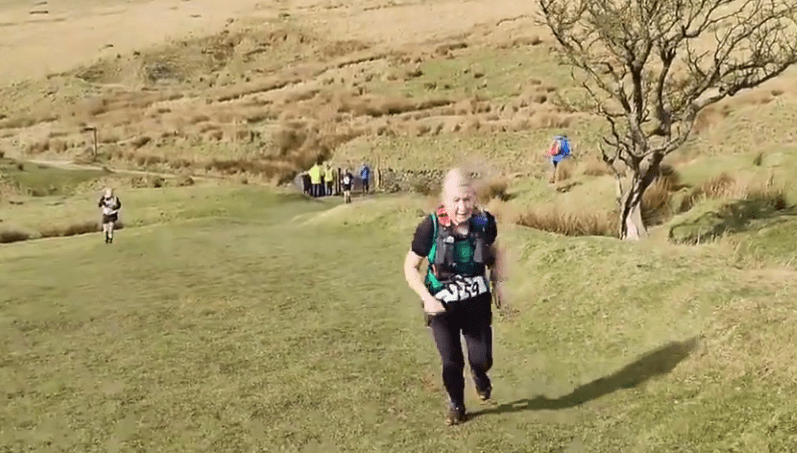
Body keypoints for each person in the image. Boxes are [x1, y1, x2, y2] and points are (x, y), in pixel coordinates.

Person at [403, 168, 506, 426]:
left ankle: (480, 374)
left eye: (467, 199)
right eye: (455, 201)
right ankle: (456, 405)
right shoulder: (430, 227)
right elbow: (409, 267)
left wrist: (497, 281)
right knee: (451, 361)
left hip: (476, 303)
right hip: (442, 305)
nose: (462, 207)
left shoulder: (484, 222)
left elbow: (493, 251)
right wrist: (427, 298)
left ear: (474, 197)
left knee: (482, 358)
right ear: (444, 200)